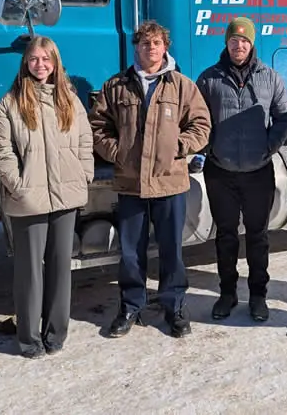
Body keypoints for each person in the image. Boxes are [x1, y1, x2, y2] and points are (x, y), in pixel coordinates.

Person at [89, 20, 211, 339]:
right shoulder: (116, 86)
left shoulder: (181, 85)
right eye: (145, 43)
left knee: (172, 250)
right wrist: (117, 152)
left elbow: (201, 125)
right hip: (131, 184)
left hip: (169, 182)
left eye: (156, 43)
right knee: (131, 252)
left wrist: (178, 146)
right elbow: (97, 126)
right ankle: (131, 305)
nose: (151, 48)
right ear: (137, 47)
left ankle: (175, 306)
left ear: (165, 47)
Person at [0, 36, 94, 359]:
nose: (40, 65)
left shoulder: (69, 100)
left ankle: (55, 332)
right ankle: (28, 337)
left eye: (46, 59)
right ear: (25, 62)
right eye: (34, 59)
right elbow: (2, 150)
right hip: (28, 198)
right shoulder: (10, 103)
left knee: (61, 266)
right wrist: (18, 185)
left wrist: (84, 173)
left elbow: (85, 140)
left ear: (55, 63)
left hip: (65, 196)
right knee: (30, 270)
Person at [195, 16, 287, 322]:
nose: (239, 45)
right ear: (226, 43)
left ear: (252, 44)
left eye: (244, 41)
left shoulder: (270, 78)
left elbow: (284, 117)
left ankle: (258, 296)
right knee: (225, 235)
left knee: (257, 236)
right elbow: (197, 119)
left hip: (258, 171)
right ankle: (227, 294)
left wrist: (269, 147)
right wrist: (209, 148)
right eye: (234, 40)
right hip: (220, 172)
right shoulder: (209, 79)